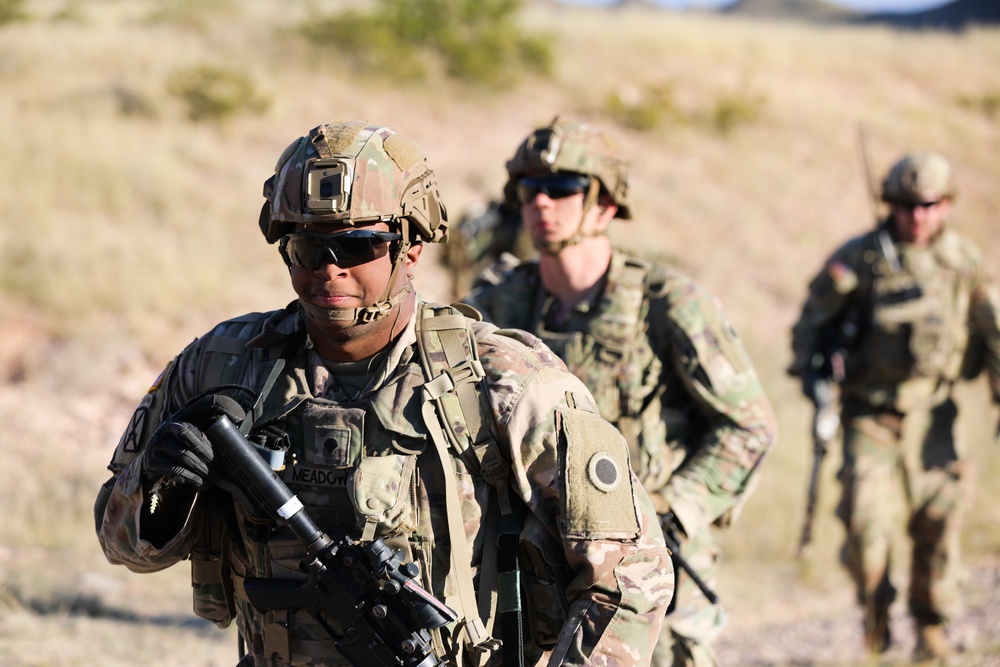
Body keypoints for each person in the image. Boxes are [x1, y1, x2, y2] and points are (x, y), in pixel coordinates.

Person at [94, 121, 675, 666]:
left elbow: (631, 576)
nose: (330, 269)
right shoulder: (220, 366)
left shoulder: (503, 381)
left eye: (358, 247)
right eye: (306, 246)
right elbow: (122, 546)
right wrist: (158, 481)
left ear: (411, 247)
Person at [462, 116, 777, 667]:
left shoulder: (668, 304)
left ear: (605, 205)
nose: (542, 204)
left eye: (562, 189)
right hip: (538, 564)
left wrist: (676, 508)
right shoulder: (498, 302)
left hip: (651, 566)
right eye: (529, 189)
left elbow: (748, 426)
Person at [787, 151, 1000, 661]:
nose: (917, 216)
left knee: (940, 523)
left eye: (928, 204)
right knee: (866, 529)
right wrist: (814, 379)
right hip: (870, 418)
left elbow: (993, 331)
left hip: (935, 417)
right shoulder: (859, 259)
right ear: (890, 204)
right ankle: (877, 617)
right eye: (906, 205)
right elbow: (810, 324)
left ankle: (931, 627)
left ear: (946, 205)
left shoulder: (963, 263)